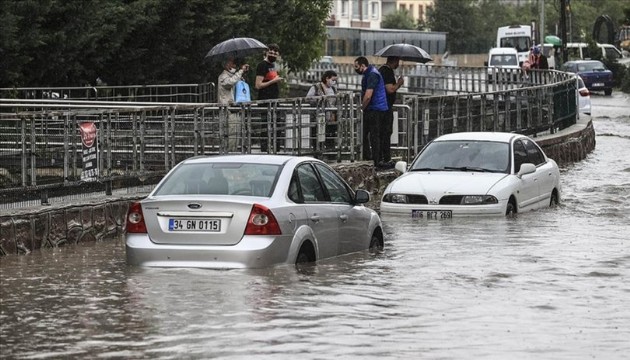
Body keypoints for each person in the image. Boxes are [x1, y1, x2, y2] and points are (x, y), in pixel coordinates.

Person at [354, 56, 388, 169]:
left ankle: (375, 161)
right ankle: (369, 157)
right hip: (374, 108)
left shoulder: (372, 74)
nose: (355, 69)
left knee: (374, 135)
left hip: (375, 109)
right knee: (366, 134)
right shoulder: (369, 73)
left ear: (363, 65)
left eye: (356, 66)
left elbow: (368, 95)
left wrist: (361, 108)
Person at [255, 44, 283, 153]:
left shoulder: (273, 65)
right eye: (271, 52)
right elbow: (258, 85)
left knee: (278, 125)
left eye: (275, 53)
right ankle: (264, 149)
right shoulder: (262, 65)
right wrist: (273, 81)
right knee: (266, 126)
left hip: (274, 100)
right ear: (266, 52)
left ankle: (276, 148)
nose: (273, 55)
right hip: (265, 101)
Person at [217, 57, 249, 152]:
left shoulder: (234, 76)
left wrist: (242, 73)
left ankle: (233, 151)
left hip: (234, 109)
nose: (235, 65)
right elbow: (230, 83)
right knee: (229, 134)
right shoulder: (223, 76)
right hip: (227, 110)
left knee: (235, 134)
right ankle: (228, 152)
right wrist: (240, 71)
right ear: (227, 65)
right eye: (233, 63)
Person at [378, 56, 404, 168]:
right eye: (398, 61)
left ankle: (383, 157)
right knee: (386, 132)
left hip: (383, 106)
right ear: (395, 61)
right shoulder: (386, 71)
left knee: (384, 133)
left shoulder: (383, 70)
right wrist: (399, 83)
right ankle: (385, 158)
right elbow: (390, 89)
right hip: (385, 107)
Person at [306, 70, 338, 149]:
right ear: (327, 78)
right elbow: (307, 99)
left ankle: (330, 154)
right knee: (317, 136)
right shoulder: (316, 87)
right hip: (318, 117)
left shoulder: (333, 89)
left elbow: (335, 102)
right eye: (333, 80)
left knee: (330, 136)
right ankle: (318, 152)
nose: (334, 82)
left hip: (330, 117)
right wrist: (319, 99)